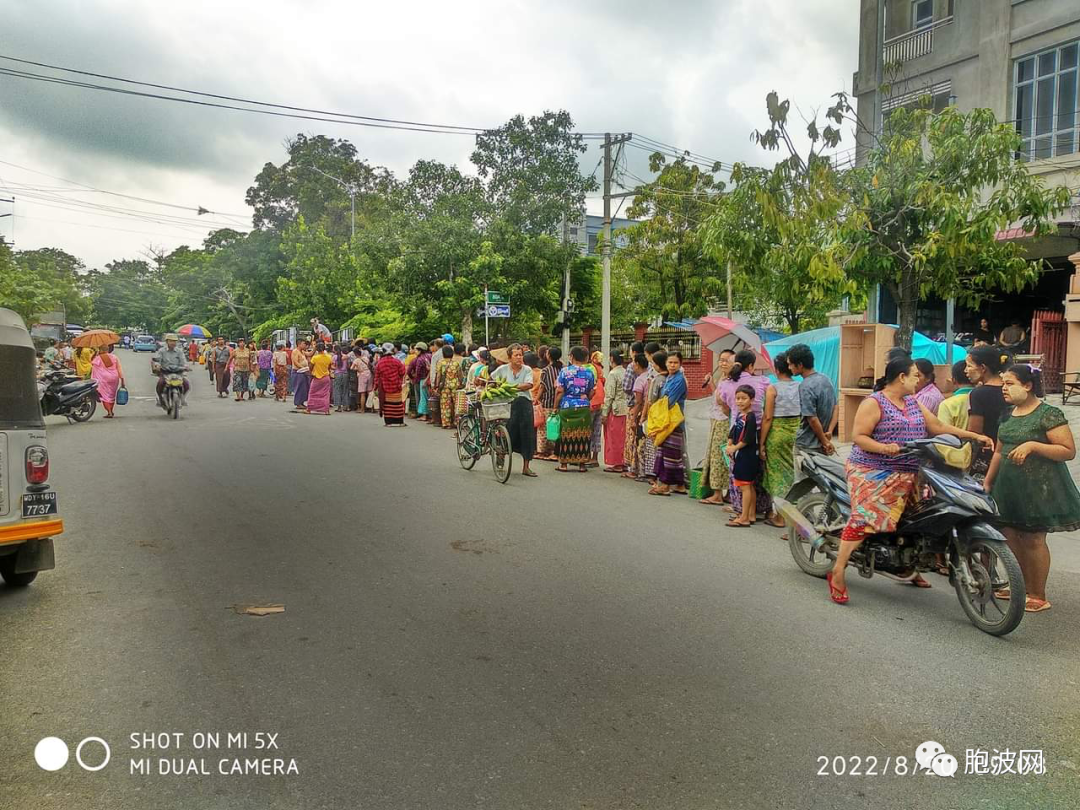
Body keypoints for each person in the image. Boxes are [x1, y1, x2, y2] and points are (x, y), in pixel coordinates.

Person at [826, 356, 993, 605]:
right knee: (866, 517)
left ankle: (907, 565)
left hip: (911, 470)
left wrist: (972, 436)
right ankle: (838, 571)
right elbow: (858, 436)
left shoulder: (913, 402)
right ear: (901, 377)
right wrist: (884, 448)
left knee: (920, 518)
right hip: (873, 469)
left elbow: (936, 426)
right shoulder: (874, 402)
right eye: (915, 375)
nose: (919, 379)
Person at [985, 364, 1080, 613]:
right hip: (1008, 485)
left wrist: (1033, 446)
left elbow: (1068, 451)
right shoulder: (1006, 414)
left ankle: (1037, 593)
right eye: (1003, 383)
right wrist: (987, 482)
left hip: (1038, 487)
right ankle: (1020, 586)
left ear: (1027, 386)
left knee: (1033, 538)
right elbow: (998, 451)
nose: (1004, 388)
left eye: (1010, 384)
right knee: (1008, 534)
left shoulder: (1048, 414)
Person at [760, 352, 801, 526]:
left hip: (777, 433)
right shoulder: (800, 386)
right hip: (796, 432)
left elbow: (768, 417)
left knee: (777, 475)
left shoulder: (773, 388)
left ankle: (781, 516)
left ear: (777, 370)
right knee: (793, 474)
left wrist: (761, 442)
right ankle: (795, 513)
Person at [965, 344, 1011, 478]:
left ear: (983, 368)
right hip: (1011, 453)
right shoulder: (1010, 388)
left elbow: (974, 432)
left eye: (969, 366)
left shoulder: (978, 394)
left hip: (989, 456)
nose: (965, 370)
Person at [493, 344, 537, 476]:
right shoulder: (502, 369)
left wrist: (510, 387)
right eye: (516, 355)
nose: (519, 358)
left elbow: (528, 384)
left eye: (520, 355)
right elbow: (492, 380)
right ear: (509, 357)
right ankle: (501, 457)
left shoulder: (527, 369)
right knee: (506, 433)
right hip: (507, 404)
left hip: (524, 405)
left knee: (527, 435)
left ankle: (526, 467)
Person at [786, 343, 837, 457]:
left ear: (800, 365)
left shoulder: (805, 386)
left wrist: (824, 442)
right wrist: (829, 432)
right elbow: (835, 407)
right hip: (822, 441)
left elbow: (812, 418)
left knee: (804, 475)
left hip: (807, 445)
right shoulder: (825, 379)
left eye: (790, 364)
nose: (789, 368)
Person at [699, 349, 735, 504]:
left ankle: (718, 493)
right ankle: (722, 492)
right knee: (715, 455)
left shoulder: (733, 381)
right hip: (715, 419)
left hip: (724, 421)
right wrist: (712, 383)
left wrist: (725, 407)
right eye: (721, 360)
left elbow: (729, 404)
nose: (722, 363)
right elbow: (717, 397)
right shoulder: (722, 378)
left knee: (719, 456)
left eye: (727, 360)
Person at [650, 352, 688, 496]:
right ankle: (679, 485)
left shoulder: (679, 380)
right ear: (666, 363)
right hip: (667, 420)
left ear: (680, 364)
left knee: (669, 454)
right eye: (670, 362)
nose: (672, 365)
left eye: (675, 363)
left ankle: (665, 485)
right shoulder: (670, 378)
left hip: (672, 422)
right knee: (670, 453)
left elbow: (668, 401)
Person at [554, 346, 596, 473]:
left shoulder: (564, 372)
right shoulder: (589, 373)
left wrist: (555, 407)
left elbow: (559, 391)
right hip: (583, 407)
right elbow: (592, 391)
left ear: (571, 356)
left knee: (566, 434)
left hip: (567, 406)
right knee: (583, 434)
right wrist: (585, 398)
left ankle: (564, 464)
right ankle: (582, 464)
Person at [726, 385, 760, 527]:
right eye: (738, 398)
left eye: (744, 398)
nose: (740, 401)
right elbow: (733, 432)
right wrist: (729, 444)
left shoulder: (751, 417)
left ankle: (744, 517)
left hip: (746, 456)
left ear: (751, 400)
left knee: (745, 487)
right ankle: (750, 514)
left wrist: (734, 448)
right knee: (749, 486)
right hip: (742, 455)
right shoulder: (741, 416)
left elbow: (747, 438)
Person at [936, 360, 975, 472]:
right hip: (980, 461)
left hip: (954, 461)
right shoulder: (983, 398)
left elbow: (943, 437)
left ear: (953, 380)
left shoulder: (948, 404)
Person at [601, 351, 628, 473]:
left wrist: (605, 412)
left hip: (615, 408)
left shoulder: (612, 374)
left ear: (612, 359)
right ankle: (624, 461)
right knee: (623, 436)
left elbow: (609, 395)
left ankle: (616, 462)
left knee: (614, 436)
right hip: (625, 407)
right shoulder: (626, 372)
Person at [535, 346, 563, 460]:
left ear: (549, 356)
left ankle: (542, 451)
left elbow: (542, 387)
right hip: (560, 402)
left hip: (547, 401)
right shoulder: (562, 368)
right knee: (555, 427)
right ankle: (553, 450)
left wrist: (537, 398)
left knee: (543, 428)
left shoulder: (546, 370)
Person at [151, 333, 190, 407]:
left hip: (178, 373)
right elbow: (157, 360)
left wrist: (186, 367)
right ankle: (160, 398)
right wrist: (157, 366)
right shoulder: (161, 351)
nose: (173, 343)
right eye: (171, 341)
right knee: (160, 384)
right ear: (167, 342)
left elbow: (183, 361)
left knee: (186, 384)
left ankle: (182, 398)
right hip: (165, 372)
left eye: (175, 341)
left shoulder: (179, 351)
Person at [374, 341, 407, 426]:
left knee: (388, 406)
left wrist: (375, 387)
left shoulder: (380, 363)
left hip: (385, 388)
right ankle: (400, 422)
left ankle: (388, 422)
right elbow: (402, 372)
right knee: (398, 405)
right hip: (396, 386)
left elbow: (377, 377)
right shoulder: (397, 361)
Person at [90, 345, 125, 418]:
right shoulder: (114, 357)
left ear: (101, 350)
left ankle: (109, 412)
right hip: (114, 378)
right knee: (111, 395)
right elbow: (119, 368)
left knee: (104, 396)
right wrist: (122, 379)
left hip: (104, 379)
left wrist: (95, 353)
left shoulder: (98, 358)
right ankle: (111, 411)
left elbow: (92, 362)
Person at [435, 345, 462, 429]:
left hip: (445, 386)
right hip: (455, 385)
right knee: (456, 405)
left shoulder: (440, 362)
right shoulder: (456, 363)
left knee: (445, 405)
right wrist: (460, 383)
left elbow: (439, 375)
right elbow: (460, 375)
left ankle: (446, 423)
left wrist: (436, 385)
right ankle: (457, 422)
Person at [588, 350, 606, 467]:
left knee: (588, 430)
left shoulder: (590, 368)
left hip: (592, 401)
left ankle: (587, 457)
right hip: (600, 401)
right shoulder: (601, 371)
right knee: (597, 431)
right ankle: (595, 458)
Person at [304, 342, 333, 415]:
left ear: (316, 349)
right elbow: (329, 367)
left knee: (312, 393)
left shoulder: (315, 358)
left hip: (316, 377)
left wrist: (310, 373)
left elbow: (310, 367)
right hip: (326, 377)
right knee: (325, 394)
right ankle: (326, 410)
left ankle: (309, 409)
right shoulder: (329, 357)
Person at [409, 342, 431, 420]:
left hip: (423, 380)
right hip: (429, 379)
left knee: (423, 398)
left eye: (416, 350)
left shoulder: (419, 359)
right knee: (428, 397)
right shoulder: (429, 356)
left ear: (420, 350)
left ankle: (424, 415)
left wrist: (414, 380)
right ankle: (429, 415)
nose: (415, 351)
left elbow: (417, 372)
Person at [354, 343, 374, 414]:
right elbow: (369, 365)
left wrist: (358, 369)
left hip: (362, 375)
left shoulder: (356, 360)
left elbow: (351, 368)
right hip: (369, 374)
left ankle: (362, 409)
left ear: (356, 354)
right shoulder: (366, 358)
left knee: (362, 394)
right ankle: (372, 408)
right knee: (369, 392)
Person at [292, 339, 311, 409]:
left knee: (304, 388)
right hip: (298, 371)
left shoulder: (303, 351)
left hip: (303, 371)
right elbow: (295, 362)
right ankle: (298, 403)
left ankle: (301, 402)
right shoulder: (295, 351)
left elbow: (309, 354)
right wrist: (303, 368)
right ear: (299, 344)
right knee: (299, 387)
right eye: (303, 344)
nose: (305, 345)